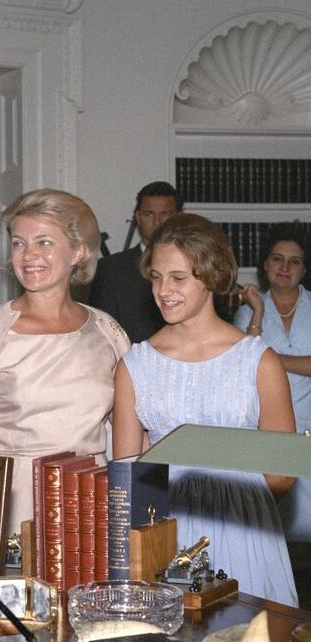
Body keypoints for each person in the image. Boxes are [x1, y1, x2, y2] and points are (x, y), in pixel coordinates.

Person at [113, 213, 298, 606]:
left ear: (211, 277)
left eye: (178, 278)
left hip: (245, 530)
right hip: (166, 534)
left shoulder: (259, 362)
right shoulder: (135, 365)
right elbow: (127, 481)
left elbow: (281, 478)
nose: (164, 290)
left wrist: (233, 492)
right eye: (157, 277)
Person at [0, 189, 129, 533]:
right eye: (18, 243)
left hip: (92, 504)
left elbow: (127, 438)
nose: (28, 256)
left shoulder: (107, 332)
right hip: (15, 507)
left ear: (79, 251)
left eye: (44, 242)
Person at [234, 222, 311, 543]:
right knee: (268, 531)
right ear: (265, 265)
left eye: (294, 261)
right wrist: (258, 312)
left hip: (308, 429)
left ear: (304, 269)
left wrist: (268, 359)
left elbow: (257, 358)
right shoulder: (249, 311)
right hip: (265, 431)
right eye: (277, 259)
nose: (285, 267)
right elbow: (242, 366)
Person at [89, 181, 182, 343]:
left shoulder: (196, 266)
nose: (157, 222)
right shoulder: (110, 270)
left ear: (179, 217)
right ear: (137, 217)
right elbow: (100, 335)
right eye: (149, 214)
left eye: (166, 214)